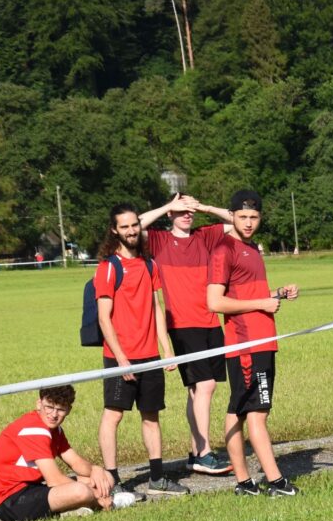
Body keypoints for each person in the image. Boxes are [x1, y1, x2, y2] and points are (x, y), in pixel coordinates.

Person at [207, 190, 299, 497]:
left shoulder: (251, 248)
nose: (248, 223)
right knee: (257, 412)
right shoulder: (224, 249)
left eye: (254, 217)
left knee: (238, 410)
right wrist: (263, 302)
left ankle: (244, 483)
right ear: (231, 215)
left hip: (261, 339)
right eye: (242, 217)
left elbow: (247, 294)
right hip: (247, 343)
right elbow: (214, 301)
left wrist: (277, 294)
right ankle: (275, 482)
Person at [94, 203, 189, 497]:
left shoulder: (150, 264)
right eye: (124, 226)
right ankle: (113, 480)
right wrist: (121, 357)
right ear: (114, 230)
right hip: (120, 358)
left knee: (151, 416)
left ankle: (157, 478)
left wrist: (167, 349)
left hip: (150, 356)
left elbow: (156, 308)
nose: (131, 230)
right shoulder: (109, 267)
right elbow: (103, 317)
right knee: (114, 416)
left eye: (134, 225)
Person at [140, 194, 235, 475]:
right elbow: (136, 225)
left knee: (199, 390)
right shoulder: (159, 241)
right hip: (182, 324)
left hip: (210, 321)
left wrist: (203, 206)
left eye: (189, 211)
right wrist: (168, 205)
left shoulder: (205, 237)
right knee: (205, 386)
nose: (186, 215)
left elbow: (236, 220)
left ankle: (197, 451)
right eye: (180, 211)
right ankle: (204, 452)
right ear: (170, 214)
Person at [0, 385, 136, 521]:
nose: (53, 415)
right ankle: (108, 503)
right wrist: (97, 495)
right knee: (81, 491)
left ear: (69, 410)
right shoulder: (33, 429)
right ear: (39, 404)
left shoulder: (54, 430)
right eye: (49, 407)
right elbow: (54, 480)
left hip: (34, 488)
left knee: (105, 477)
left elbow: (75, 462)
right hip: (11, 501)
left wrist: (96, 469)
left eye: (60, 409)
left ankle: (71, 509)